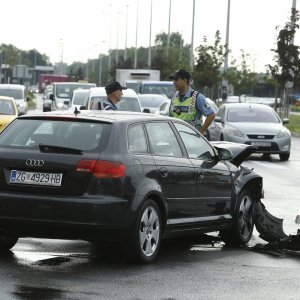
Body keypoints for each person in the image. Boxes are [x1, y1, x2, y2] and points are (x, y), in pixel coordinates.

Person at [169, 69, 215, 134]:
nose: (174, 82)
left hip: (192, 140)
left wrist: (200, 132)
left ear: (185, 80)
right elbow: (171, 117)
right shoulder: (174, 97)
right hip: (177, 139)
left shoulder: (197, 97)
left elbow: (211, 115)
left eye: (176, 80)